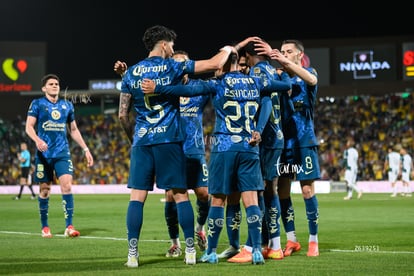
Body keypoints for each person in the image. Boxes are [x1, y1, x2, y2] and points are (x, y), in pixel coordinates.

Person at [141, 47, 292, 265]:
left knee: (218, 201)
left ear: (221, 66)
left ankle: (211, 251)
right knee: (251, 201)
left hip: (224, 147)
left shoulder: (217, 83)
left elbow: (185, 92)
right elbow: (286, 86)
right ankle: (257, 250)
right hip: (249, 148)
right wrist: (283, 69)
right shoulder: (256, 82)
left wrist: (158, 87)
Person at [114, 25, 233, 268]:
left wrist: (134, 140)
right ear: (165, 45)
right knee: (180, 195)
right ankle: (190, 249)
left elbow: (123, 116)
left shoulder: (132, 72)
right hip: (169, 139)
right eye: (170, 46)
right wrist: (229, 49)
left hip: (143, 140)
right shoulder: (173, 66)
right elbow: (213, 64)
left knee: (137, 198)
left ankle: (132, 255)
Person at [224, 40, 292, 263]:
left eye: (244, 62)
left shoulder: (257, 72)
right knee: (269, 190)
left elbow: (266, 102)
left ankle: (256, 245)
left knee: (260, 191)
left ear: (250, 57)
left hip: (266, 139)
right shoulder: (273, 70)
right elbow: (285, 93)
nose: (242, 67)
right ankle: (273, 245)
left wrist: (258, 130)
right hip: (277, 137)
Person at [255, 38, 321, 257]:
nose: (283, 54)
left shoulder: (309, 73)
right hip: (284, 145)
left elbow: (310, 80)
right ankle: (291, 240)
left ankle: (313, 240)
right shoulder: (280, 78)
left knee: (307, 190)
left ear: (299, 55)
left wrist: (279, 58)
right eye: (281, 51)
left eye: (288, 51)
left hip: (304, 143)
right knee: (281, 190)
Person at [25, 73, 94, 239]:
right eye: (51, 84)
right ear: (44, 88)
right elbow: (29, 126)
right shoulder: (38, 104)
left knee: (67, 186)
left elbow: (74, 130)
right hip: (43, 154)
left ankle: (69, 226)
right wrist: (37, 140)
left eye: (56, 83)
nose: (55, 86)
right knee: (44, 189)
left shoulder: (67, 106)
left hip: (62, 153)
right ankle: (45, 227)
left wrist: (86, 149)